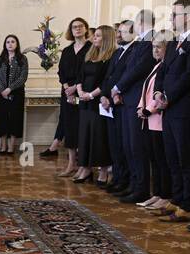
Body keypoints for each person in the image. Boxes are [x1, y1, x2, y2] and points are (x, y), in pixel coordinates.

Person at [157, 0, 190, 224]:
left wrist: (168, 97)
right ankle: (177, 199)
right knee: (172, 157)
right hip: (168, 109)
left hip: (186, 108)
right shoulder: (175, 40)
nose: (171, 18)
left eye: (175, 14)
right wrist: (159, 92)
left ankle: (188, 207)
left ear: (188, 16)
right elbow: (163, 70)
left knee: (186, 158)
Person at [112, 10, 157, 204]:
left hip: (137, 99)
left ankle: (141, 189)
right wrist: (119, 90)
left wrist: (118, 87)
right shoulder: (141, 42)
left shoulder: (150, 41)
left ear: (140, 23)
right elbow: (128, 69)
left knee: (137, 147)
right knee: (128, 146)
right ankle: (133, 184)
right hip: (128, 98)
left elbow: (139, 70)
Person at [138, 36, 174, 215]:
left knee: (162, 161)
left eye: (159, 47)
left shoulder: (166, 67)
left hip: (158, 119)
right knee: (154, 159)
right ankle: (157, 193)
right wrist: (141, 107)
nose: (156, 50)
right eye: (154, 47)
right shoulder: (156, 66)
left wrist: (148, 110)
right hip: (149, 120)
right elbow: (146, 91)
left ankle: (165, 195)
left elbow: (160, 94)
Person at [75, 25, 115, 184]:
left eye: (97, 36)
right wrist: (80, 91)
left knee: (99, 137)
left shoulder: (110, 57)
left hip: (98, 102)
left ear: (106, 38)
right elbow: (80, 75)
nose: (94, 38)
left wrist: (91, 95)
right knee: (84, 135)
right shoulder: (89, 53)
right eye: (95, 36)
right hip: (84, 101)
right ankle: (85, 168)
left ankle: (104, 170)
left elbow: (107, 81)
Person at [102, 20, 136, 192]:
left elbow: (128, 77)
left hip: (122, 103)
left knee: (124, 146)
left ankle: (125, 180)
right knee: (114, 145)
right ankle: (118, 177)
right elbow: (108, 77)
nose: (119, 35)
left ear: (133, 33)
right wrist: (104, 95)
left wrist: (115, 94)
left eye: (122, 32)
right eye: (118, 31)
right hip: (110, 103)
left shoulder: (134, 51)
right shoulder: (117, 53)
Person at [54, 18, 91, 175]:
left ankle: (83, 165)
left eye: (80, 26)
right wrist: (67, 88)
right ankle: (70, 164)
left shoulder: (91, 49)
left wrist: (76, 88)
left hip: (84, 93)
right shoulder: (67, 50)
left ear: (86, 29)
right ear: (71, 30)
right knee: (69, 128)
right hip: (67, 93)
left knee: (82, 129)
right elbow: (61, 72)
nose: (77, 29)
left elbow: (90, 72)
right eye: (74, 27)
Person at [0, 34, 27, 156]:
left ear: (16, 44)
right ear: (5, 44)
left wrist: (10, 89)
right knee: (2, 119)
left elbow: (23, 77)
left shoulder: (22, 59)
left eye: (13, 42)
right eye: (8, 42)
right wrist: (2, 90)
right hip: (1, 94)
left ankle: (11, 147)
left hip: (17, 94)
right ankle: (3, 146)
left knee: (14, 119)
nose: (10, 44)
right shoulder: (0, 59)